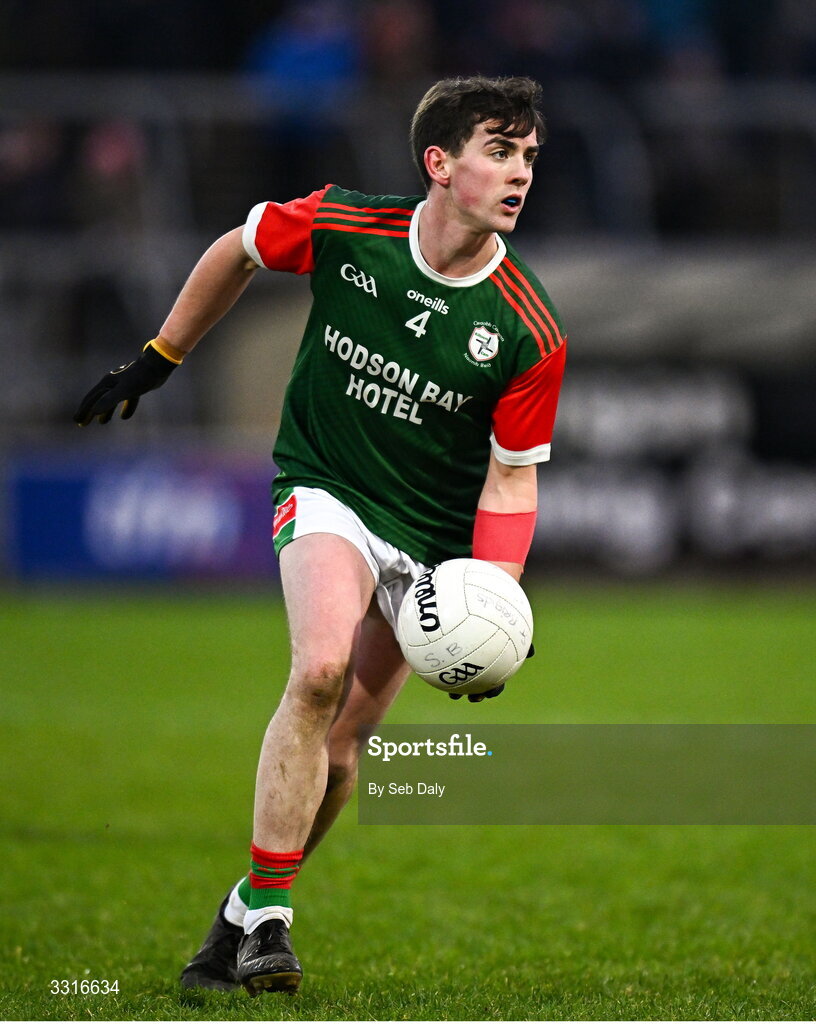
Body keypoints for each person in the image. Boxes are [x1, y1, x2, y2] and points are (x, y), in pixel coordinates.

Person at [73, 75, 567, 996]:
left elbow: (510, 474)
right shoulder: (350, 228)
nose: (520, 174)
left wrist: (491, 601)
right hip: (327, 485)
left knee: (341, 753)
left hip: (430, 540)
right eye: (500, 152)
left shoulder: (529, 327)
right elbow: (241, 247)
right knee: (317, 672)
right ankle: (272, 924)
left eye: (529, 157)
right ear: (439, 162)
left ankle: (242, 912)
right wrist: (162, 355)